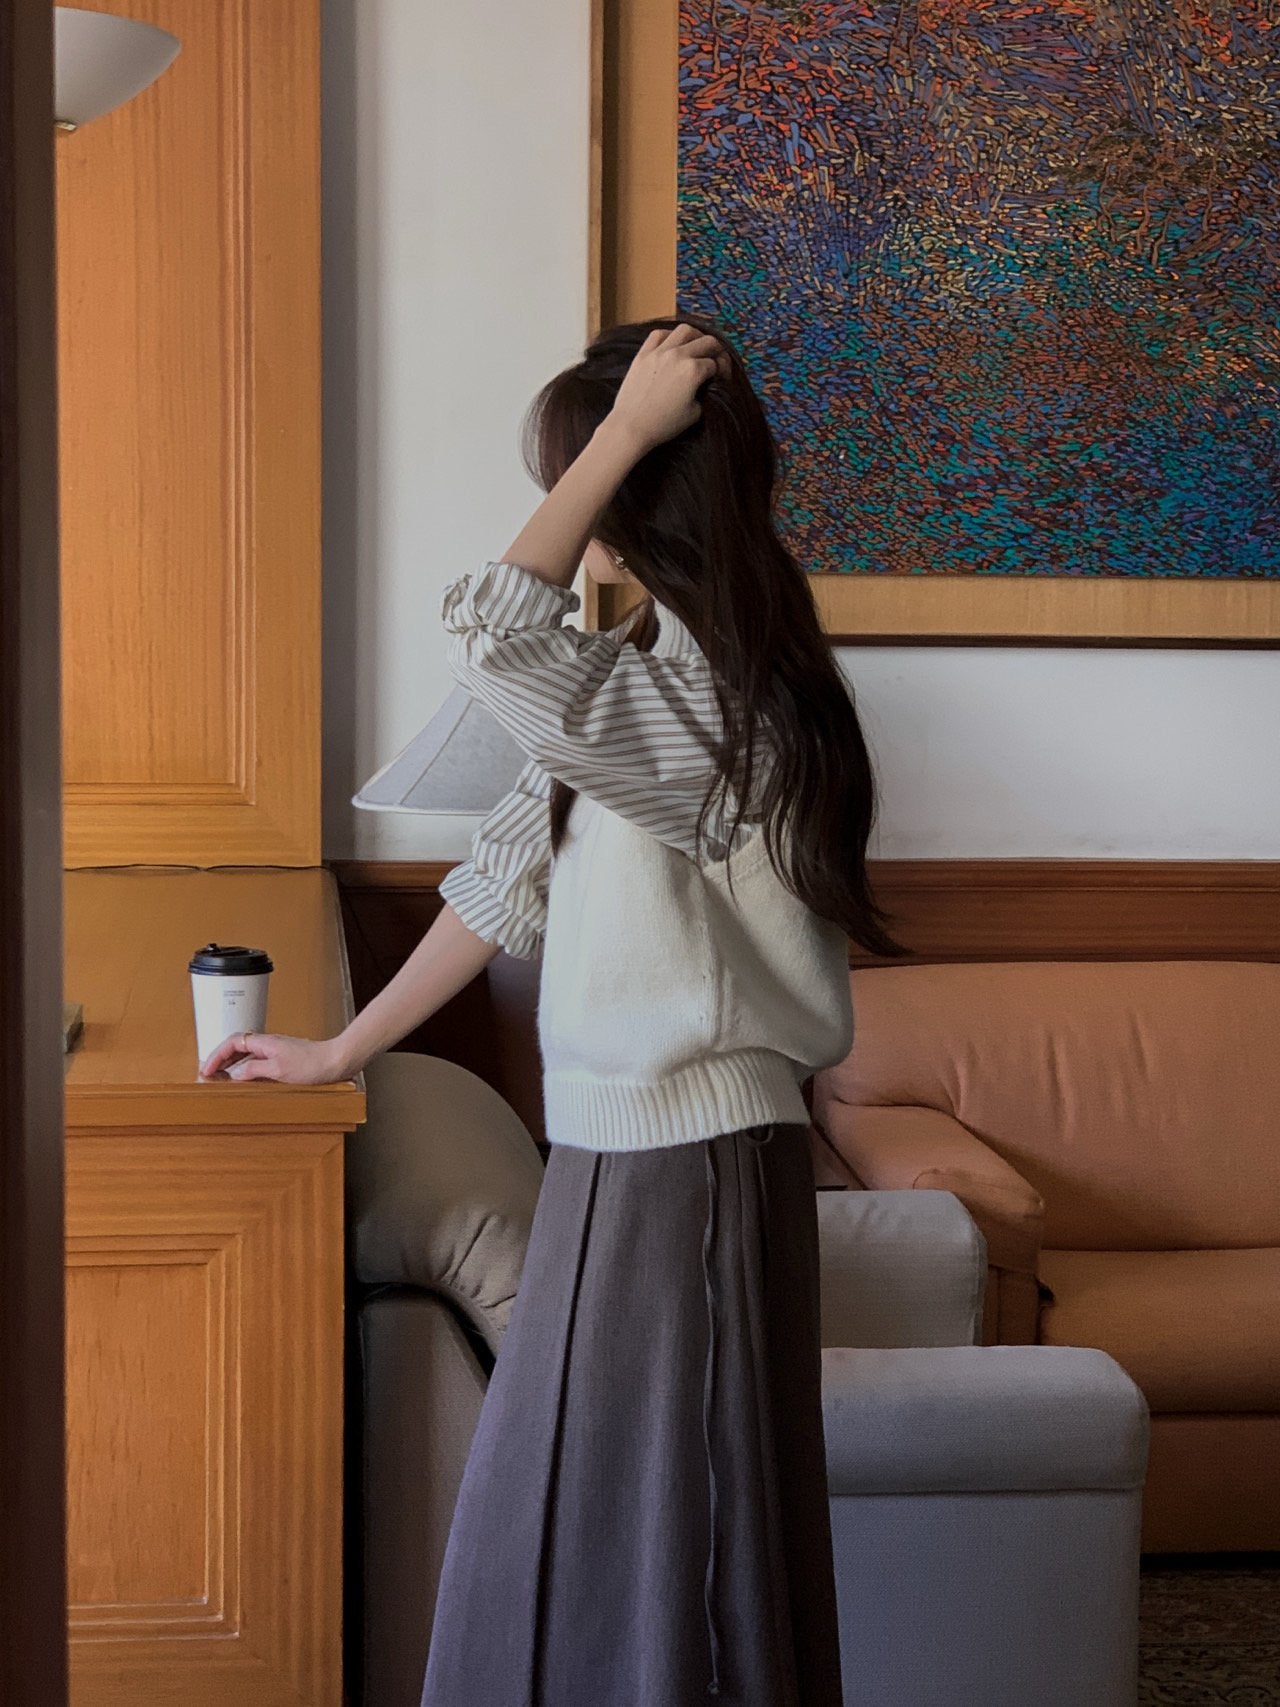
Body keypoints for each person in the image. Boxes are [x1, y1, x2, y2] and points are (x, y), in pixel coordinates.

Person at [199, 314, 905, 1704]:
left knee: (676, 1546)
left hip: (693, 1163)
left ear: (638, 498)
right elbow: (501, 880)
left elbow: (485, 632)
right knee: (579, 1523)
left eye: (584, 485)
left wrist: (624, 430)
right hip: (626, 1156)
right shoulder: (640, 682)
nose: (571, 523)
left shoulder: (719, 710)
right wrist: (341, 1048)